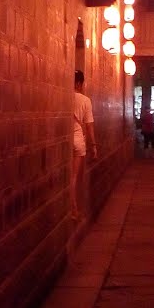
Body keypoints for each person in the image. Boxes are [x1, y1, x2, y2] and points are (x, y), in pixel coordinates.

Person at [72, 70, 97, 219]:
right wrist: (94, 146)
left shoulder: (63, 96)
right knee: (74, 177)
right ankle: (74, 209)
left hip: (66, 137)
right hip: (78, 139)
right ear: (79, 83)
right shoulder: (85, 100)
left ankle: (72, 207)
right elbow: (89, 126)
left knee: (69, 176)